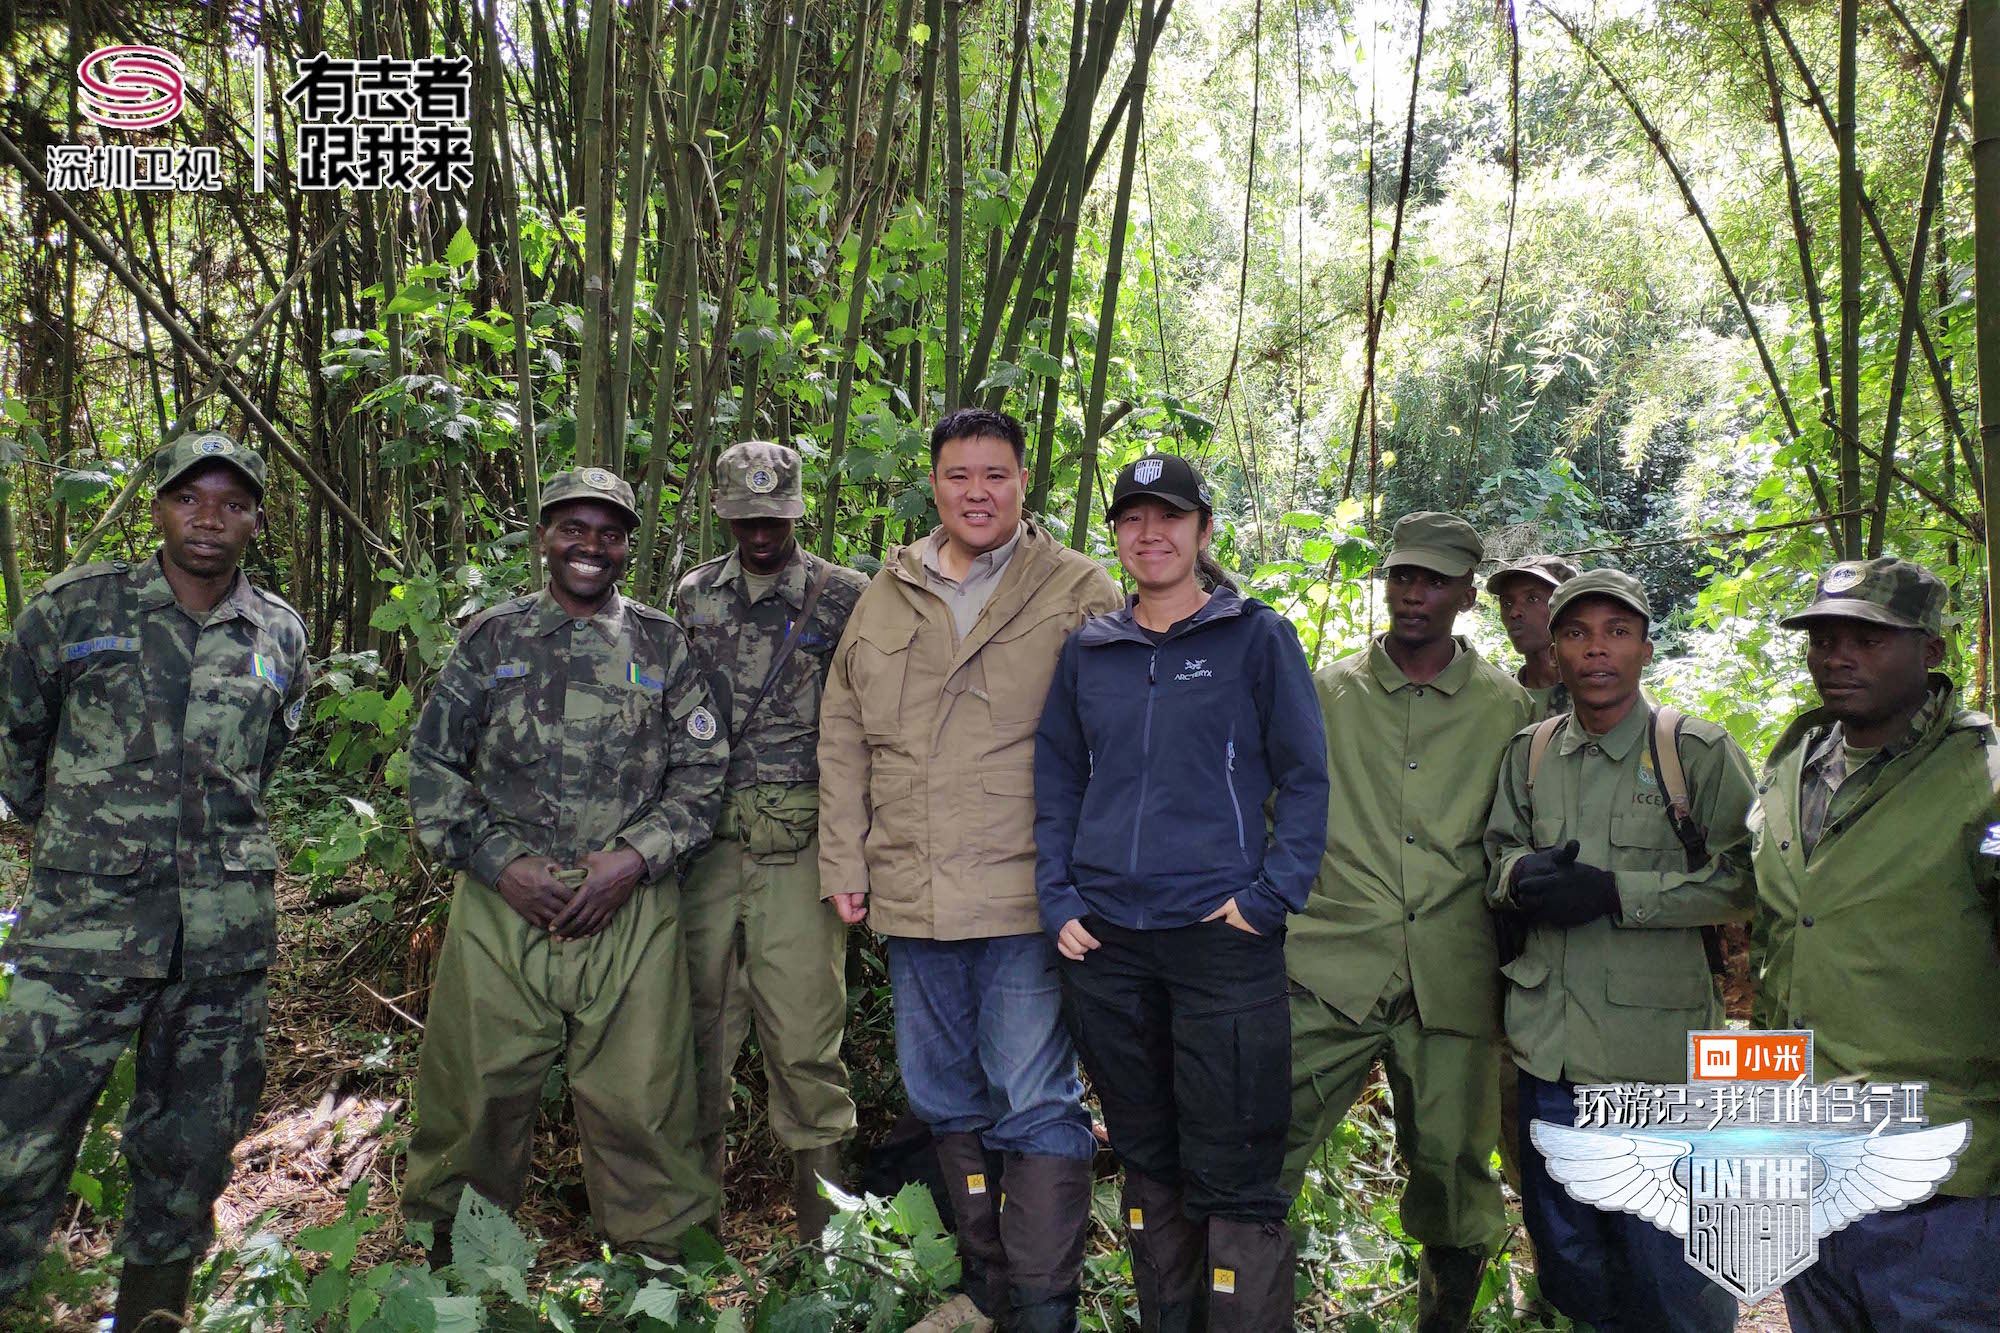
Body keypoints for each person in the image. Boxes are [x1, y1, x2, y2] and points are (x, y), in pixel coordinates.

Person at [818, 407, 1122, 1333]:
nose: (977, 492)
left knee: (1033, 1097)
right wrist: (845, 855)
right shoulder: (889, 589)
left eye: (996, 474)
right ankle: (988, 1288)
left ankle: (1042, 1308)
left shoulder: (1076, 588)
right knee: (943, 1095)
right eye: (959, 475)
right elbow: (842, 731)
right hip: (912, 893)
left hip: (1029, 893)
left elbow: (1123, 742)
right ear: (935, 484)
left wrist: (1100, 876)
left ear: (1025, 482)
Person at [0, 432, 309, 1332]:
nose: (208, 517)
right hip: (82, 927)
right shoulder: (72, 608)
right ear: (159, 507)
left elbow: (267, 756)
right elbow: (19, 743)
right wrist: (79, 835)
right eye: (189, 497)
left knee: (193, 1138)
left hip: (220, 933)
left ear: (255, 517)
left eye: (231, 501)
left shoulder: (278, 631)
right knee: (22, 1124)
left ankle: (151, 1310)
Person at [401, 467, 727, 1264]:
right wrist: (501, 862)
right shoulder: (493, 640)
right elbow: (433, 767)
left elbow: (704, 771)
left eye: (608, 532)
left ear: (627, 546)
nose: (590, 546)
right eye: (572, 528)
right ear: (543, 535)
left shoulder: (661, 643)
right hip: (503, 905)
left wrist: (632, 861)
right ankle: (459, 1279)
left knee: (644, 1105)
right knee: (475, 1098)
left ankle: (662, 1283)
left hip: (630, 910)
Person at [1034, 454, 1328, 1333]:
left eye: (1169, 518)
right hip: (1110, 945)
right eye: (1131, 519)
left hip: (1221, 938)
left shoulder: (1255, 636)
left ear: (1204, 532)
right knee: (1149, 1154)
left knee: (1235, 1158)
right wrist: (1060, 900)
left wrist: (1271, 895)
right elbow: (1057, 780)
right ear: (1116, 535)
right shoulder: (1090, 649)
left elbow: (1306, 776)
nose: (1149, 534)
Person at [1282, 511, 1535, 1333]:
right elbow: (1273, 811)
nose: (1413, 594)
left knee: (1457, 1175)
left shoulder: (1510, 710)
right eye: (1402, 576)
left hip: (1452, 978)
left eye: (1433, 580)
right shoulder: (1326, 692)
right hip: (1330, 966)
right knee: (1260, 1148)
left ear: (1468, 593)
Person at [1484, 568, 1752, 1333]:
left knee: (1676, 1276)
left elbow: (1747, 880)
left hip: (1656, 1065)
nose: (1596, 650)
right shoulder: (1529, 753)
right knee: (1576, 1268)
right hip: (1548, 1056)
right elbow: (1495, 856)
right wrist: (1519, 876)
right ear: (1556, 649)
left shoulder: (1692, 751)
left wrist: (1618, 892)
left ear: (1644, 648)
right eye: (1576, 633)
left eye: (1617, 632)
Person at [1749, 557, 2000, 1331]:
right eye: (1823, 636)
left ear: (1930, 650)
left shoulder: (1981, 779)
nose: (1838, 655)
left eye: (1868, 637)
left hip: (1935, 1176)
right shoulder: (1793, 763)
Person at [675, 440, 869, 1239]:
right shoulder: (693, 595)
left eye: (776, 516)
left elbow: (866, 724)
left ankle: (827, 1253)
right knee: (694, 1043)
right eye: (746, 518)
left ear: (797, 510)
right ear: (725, 512)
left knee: (807, 1047)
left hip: (803, 849)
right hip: (709, 846)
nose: (761, 533)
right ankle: (686, 1243)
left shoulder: (843, 597)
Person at [1485, 554, 1577, 720]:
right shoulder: (1494, 697)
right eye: (1506, 603)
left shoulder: (1595, 695)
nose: (1514, 613)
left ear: (1565, 607)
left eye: (1532, 599)